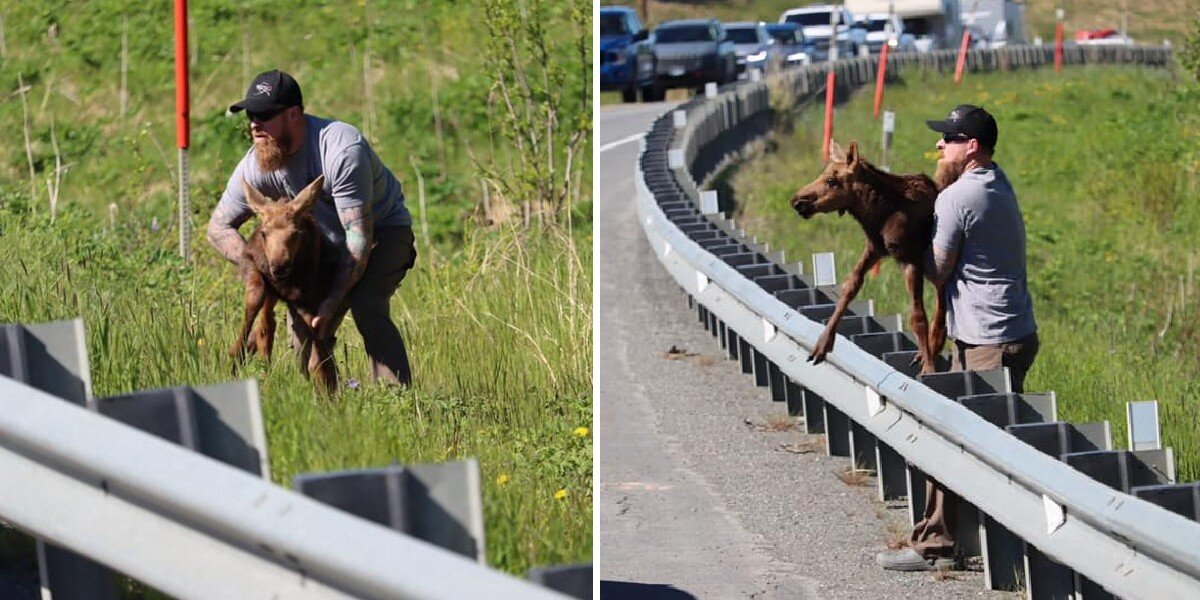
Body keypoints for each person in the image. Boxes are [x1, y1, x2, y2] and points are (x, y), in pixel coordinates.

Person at [876, 104, 1039, 571]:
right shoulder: (996, 181)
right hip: (1010, 331)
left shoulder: (958, 198)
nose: (938, 145)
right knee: (965, 439)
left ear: (971, 147)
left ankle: (945, 547)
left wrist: (905, 244)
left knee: (961, 443)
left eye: (948, 138)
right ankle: (944, 542)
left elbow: (937, 268)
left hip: (989, 340)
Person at [207, 69, 416, 386]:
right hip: (320, 248)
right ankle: (331, 414)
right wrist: (264, 271)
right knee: (304, 333)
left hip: (382, 233)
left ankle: (398, 403)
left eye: (265, 115)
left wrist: (331, 300)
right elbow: (218, 228)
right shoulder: (257, 165)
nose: (254, 124)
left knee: (366, 304)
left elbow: (359, 241)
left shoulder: (341, 150)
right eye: (251, 115)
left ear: (294, 114)